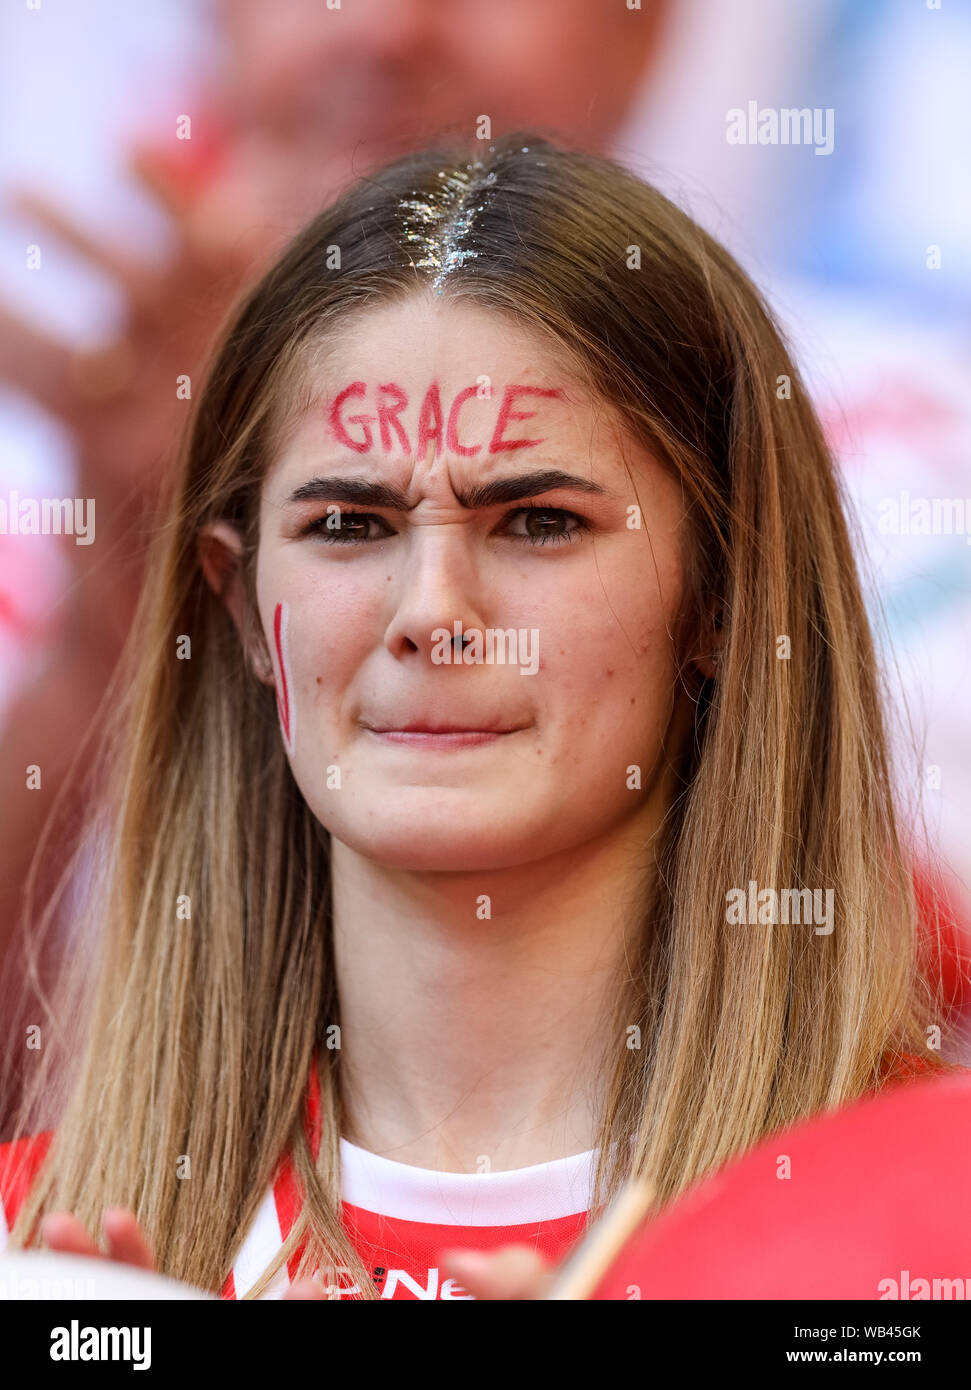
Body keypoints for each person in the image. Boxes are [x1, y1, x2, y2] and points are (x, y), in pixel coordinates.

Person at [0, 134, 958, 1302]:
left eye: (536, 521)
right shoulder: (40, 1265)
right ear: (243, 609)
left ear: (721, 597)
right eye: (349, 526)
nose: (431, 615)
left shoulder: (927, 1216)